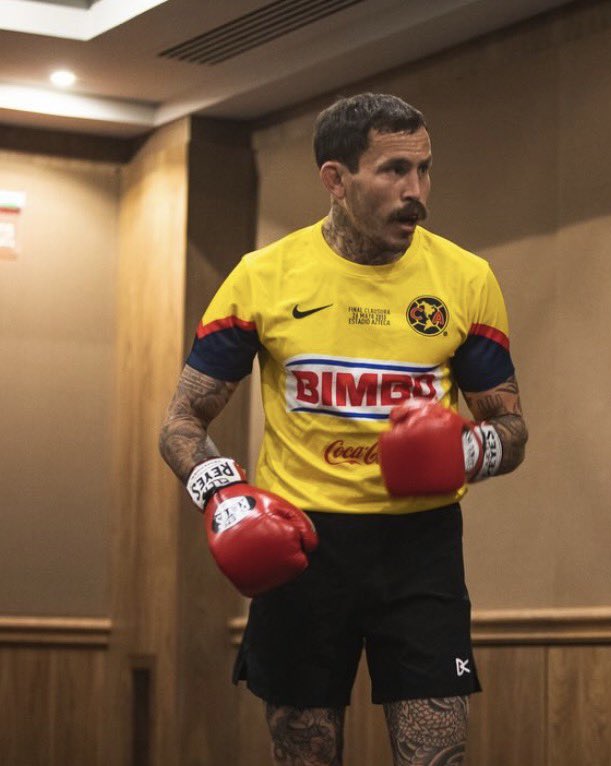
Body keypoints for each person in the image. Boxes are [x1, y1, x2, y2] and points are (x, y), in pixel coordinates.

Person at [159, 92, 527, 766]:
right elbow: (182, 421)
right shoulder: (262, 277)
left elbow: (510, 426)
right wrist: (223, 497)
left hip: (421, 546)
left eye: (423, 169)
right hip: (301, 545)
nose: (415, 192)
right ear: (334, 178)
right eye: (392, 170)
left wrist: (470, 449)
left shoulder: (465, 278)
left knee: (436, 755)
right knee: (305, 754)